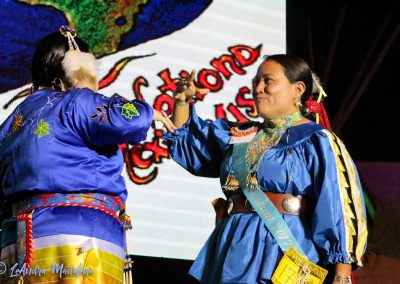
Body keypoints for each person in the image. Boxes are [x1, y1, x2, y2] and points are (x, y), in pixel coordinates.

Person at [164, 54, 368, 283]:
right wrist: (181, 101)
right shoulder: (240, 136)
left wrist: (341, 276)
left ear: (298, 89)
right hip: (232, 247)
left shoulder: (317, 140)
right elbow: (189, 144)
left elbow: (338, 206)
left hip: (282, 252)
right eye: (256, 82)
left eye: (267, 81)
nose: (258, 88)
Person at [0, 27, 175, 283]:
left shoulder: (10, 124)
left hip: (18, 244)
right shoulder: (76, 102)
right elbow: (130, 120)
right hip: (77, 236)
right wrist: (148, 112)